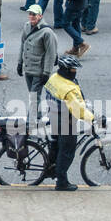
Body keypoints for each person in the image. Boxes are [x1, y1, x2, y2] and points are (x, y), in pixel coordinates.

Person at [42, 54, 95, 191]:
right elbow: (79, 111)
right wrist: (94, 118)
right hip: (66, 121)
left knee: (57, 146)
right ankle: (62, 182)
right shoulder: (69, 89)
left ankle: (51, 168)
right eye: (73, 69)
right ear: (66, 69)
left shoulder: (54, 78)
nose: (75, 72)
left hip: (53, 116)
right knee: (67, 152)